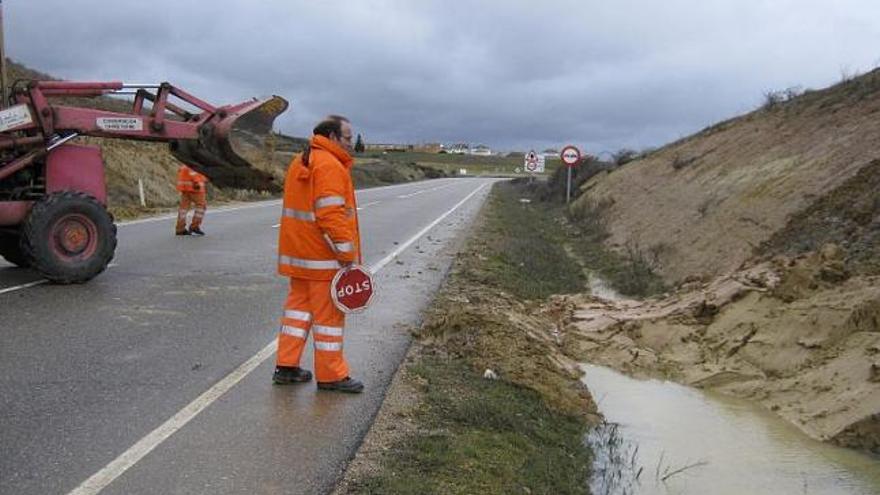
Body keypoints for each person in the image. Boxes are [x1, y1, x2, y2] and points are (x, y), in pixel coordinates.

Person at [273, 115, 364, 393]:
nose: (351, 143)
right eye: (348, 138)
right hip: (324, 260)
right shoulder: (330, 166)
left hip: (300, 256)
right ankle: (332, 376)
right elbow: (330, 215)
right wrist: (347, 254)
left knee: (297, 313)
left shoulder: (303, 159)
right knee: (329, 321)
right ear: (333, 137)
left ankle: (286, 367)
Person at [175, 163, 209, 236]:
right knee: (201, 206)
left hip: (185, 188)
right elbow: (193, 173)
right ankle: (194, 226)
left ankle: (180, 229)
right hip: (195, 188)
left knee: (183, 209)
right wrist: (197, 182)